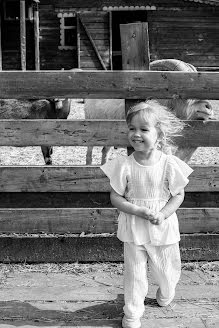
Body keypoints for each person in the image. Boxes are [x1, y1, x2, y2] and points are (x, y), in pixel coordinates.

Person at [100, 100, 193, 328]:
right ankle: (132, 313)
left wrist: (163, 213)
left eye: (143, 129)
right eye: (132, 128)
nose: (136, 134)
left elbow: (178, 195)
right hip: (134, 227)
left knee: (166, 270)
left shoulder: (169, 164)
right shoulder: (124, 165)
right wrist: (137, 210)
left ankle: (166, 289)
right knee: (135, 274)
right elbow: (116, 197)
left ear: (159, 135)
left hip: (162, 228)